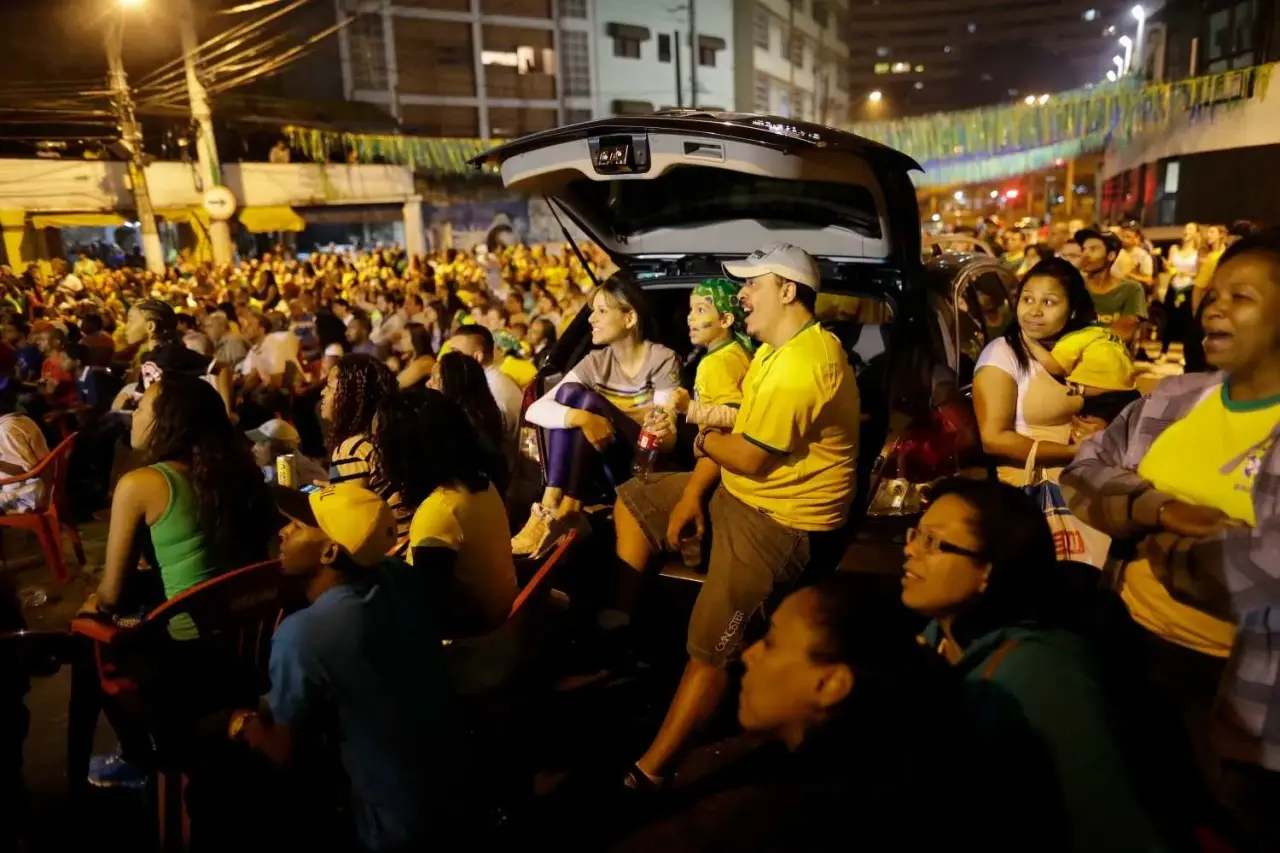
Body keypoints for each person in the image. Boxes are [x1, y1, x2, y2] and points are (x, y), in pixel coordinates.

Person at [1061, 228, 1280, 851]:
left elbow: (1262, 575)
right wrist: (1161, 509)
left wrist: (1148, 534)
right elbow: (1084, 473)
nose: (1213, 307)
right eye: (1212, 293)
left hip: (1236, 693)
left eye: (1242, 296)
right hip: (1128, 639)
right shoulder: (1177, 399)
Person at [621, 243, 859, 790]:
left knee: (712, 644)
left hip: (780, 522)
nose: (743, 293)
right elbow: (740, 426)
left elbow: (748, 453)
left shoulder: (804, 365)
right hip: (740, 492)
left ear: (788, 291)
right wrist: (691, 492)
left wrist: (699, 435)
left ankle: (651, 771)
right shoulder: (776, 350)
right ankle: (626, 641)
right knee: (635, 498)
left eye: (753, 283)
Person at [903, 477, 1193, 853]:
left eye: (932, 541)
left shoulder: (1039, 676)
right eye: (915, 534)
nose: (909, 549)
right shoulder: (939, 637)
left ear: (988, 570)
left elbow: (1109, 827)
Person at [607, 575, 972, 853]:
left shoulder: (761, 824)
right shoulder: (865, 781)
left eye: (771, 643)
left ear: (831, 683)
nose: (748, 656)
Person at [229, 483, 471, 853]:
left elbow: (282, 752)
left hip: (390, 827)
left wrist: (242, 721)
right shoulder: (399, 577)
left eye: (298, 527)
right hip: (459, 788)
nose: (283, 531)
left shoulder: (303, 634)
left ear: (329, 551)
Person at [80, 373, 275, 786]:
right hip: (248, 647)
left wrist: (90, 606)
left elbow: (111, 594)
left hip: (185, 658)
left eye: (142, 407)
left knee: (86, 634)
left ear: (168, 422)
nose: (133, 416)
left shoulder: (142, 484)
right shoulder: (244, 473)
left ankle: (139, 756)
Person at [604, 278, 753, 628]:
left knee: (630, 499)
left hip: (728, 470)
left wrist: (690, 409)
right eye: (690, 309)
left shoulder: (719, 363)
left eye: (701, 310)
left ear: (727, 321)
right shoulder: (725, 355)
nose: (690, 318)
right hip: (724, 465)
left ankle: (617, 618)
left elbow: (733, 420)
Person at [513, 275, 682, 558]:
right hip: (602, 471)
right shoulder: (595, 361)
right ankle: (557, 505)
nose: (591, 319)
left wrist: (604, 412)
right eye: (593, 311)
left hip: (643, 467)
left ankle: (565, 509)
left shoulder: (662, 359)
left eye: (602, 311)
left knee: (584, 399)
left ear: (630, 318)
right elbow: (535, 409)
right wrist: (584, 419)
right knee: (573, 397)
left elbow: (667, 440)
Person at [373, 389, 517, 639]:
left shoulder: (439, 512)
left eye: (380, 442)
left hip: (475, 655)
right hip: (500, 629)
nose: (377, 454)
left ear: (404, 450)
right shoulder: (478, 482)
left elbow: (432, 613)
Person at [973, 258, 1108, 484]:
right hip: (1031, 491)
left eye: (1048, 302)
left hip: (1082, 481)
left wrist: (1103, 425)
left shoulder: (1083, 349)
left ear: (1072, 309)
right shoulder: (1002, 354)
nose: (1034, 311)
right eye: (1027, 299)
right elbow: (993, 439)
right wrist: (1072, 451)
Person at [430, 352, 510, 496]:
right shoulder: (482, 416)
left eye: (434, 379)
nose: (428, 384)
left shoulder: (461, 428)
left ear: (451, 383)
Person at [321, 353, 397, 488]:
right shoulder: (379, 438)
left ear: (350, 398)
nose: (323, 392)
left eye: (329, 387)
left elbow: (352, 507)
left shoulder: (351, 450)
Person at [445, 325, 522, 440]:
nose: (448, 359)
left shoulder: (493, 393)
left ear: (477, 357)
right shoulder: (489, 381)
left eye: (455, 353)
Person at [1075, 228, 1148, 347]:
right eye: (1083, 249)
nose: (1085, 255)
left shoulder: (1131, 289)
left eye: (1093, 249)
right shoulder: (1074, 286)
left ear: (1111, 255)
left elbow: (1124, 332)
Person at [0, 379, 49, 513]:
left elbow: (27, 470)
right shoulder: (23, 420)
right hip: (37, 486)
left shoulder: (7, 430)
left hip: (25, 494)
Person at [1162, 223, 1202, 362]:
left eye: (1190, 229)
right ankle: (1163, 351)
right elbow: (1169, 265)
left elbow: (1200, 272)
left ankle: (1183, 354)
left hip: (1188, 287)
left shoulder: (1198, 252)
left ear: (1196, 233)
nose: (1186, 231)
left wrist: (1187, 273)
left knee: (1187, 321)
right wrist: (1168, 266)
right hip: (1174, 285)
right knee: (1169, 319)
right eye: (1185, 228)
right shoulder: (1175, 249)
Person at [247, 418, 327, 486]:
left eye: (262, 444)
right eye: (255, 442)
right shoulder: (277, 468)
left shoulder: (299, 475)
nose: (253, 449)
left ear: (277, 449)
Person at [1113, 222, 1156, 291]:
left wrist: (1129, 275)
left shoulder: (1143, 256)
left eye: (1127, 237)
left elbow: (1149, 281)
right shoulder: (1115, 252)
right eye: (1122, 236)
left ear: (1137, 238)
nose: (1123, 239)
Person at [395, 322, 436, 390]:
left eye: (405, 337)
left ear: (415, 339)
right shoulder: (410, 359)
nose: (401, 340)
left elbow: (398, 384)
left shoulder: (425, 362)